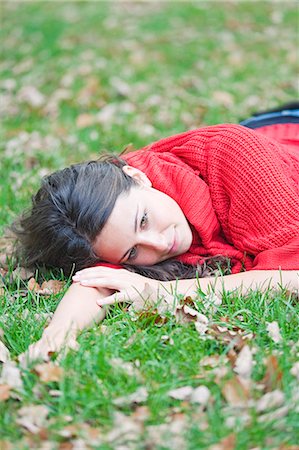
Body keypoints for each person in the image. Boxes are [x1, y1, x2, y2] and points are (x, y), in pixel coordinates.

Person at [14, 105, 299, 362]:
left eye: (144, 220)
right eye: (133, 252)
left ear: (138, 177)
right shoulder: (112, 219)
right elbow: (96, 282)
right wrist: (57, 335)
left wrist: (166, 292)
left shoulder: (241, 159)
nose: (160, 243)